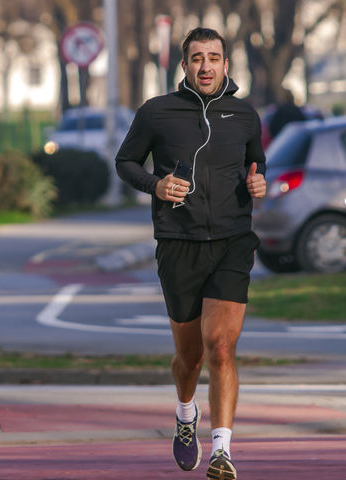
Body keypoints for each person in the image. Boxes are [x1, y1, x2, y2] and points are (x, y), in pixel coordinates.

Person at [115, 27, 267, 480]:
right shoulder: (157, 112)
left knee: (221, 346)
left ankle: (222, 451)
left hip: (232, 241)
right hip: (178, 244)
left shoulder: (245, 115)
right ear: (184, 66)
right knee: (190, 357)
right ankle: (186, 415)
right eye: (197, 58)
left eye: (214, 57)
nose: (206, 66)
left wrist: (258, 183)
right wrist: (156, 185)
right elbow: (125, 162)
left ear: (226, 65)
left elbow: (256, 164)